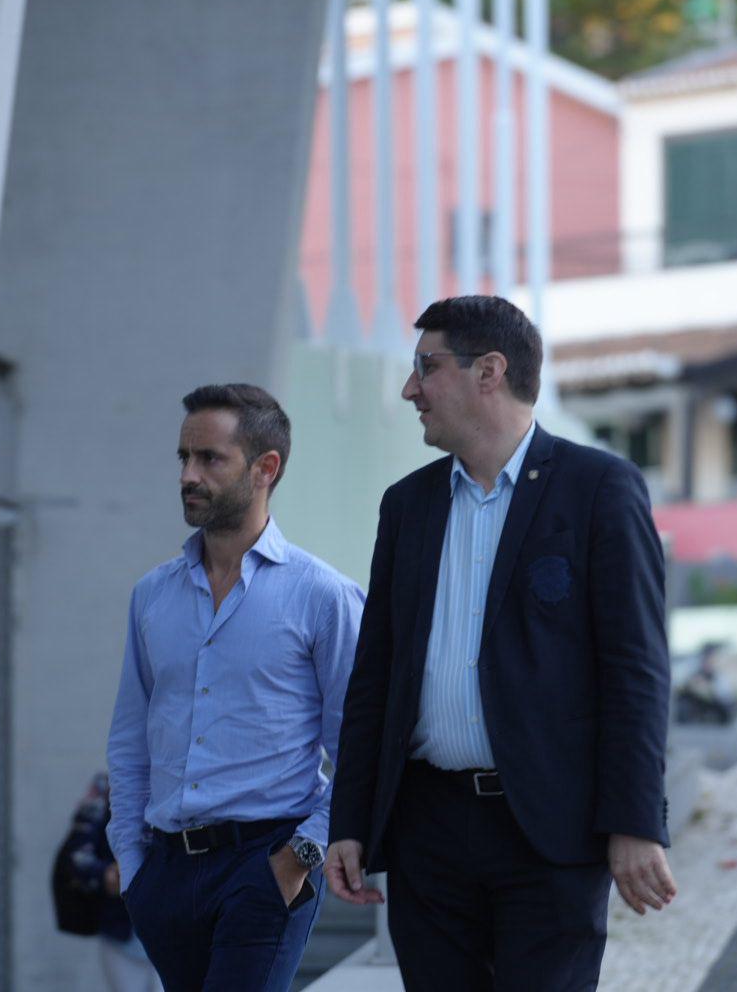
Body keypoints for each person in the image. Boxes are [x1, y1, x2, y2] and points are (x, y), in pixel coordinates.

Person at [325, 296, 676, 992]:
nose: (409, 389)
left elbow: (635, 671)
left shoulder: (600, 489)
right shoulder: (408, 506)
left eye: (426, 367)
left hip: (548, 830)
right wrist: (351, 821)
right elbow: (376, 677)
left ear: (489, 371)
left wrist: (636, 822)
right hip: (428, 832)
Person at [106, 384, 365, 991]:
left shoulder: (323, 596)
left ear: (265, 468)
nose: (188, 475)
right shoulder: (153, 595)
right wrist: (134, 862)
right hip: (165, 873)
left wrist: (298, 858)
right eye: (183, 458)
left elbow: (360, 747)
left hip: (264, 865)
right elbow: (129, 734)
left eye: (209, 459)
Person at [50, 772, 164, 992]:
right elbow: (76, 856)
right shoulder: (106, 788)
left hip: (174, 928)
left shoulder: (184, 782)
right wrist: (106, 874)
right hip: (121, 932)